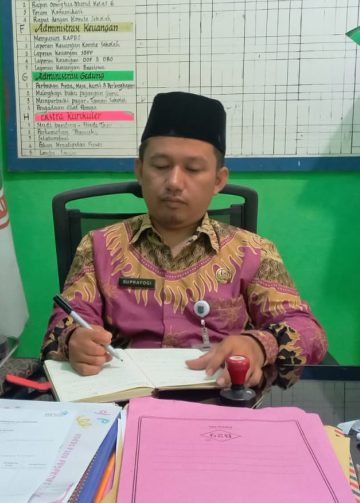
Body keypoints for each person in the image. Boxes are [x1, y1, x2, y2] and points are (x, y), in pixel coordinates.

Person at [42, 91, 327, 387]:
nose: (174, 182)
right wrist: (74, 339)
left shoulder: (254, 252)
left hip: (220, 397)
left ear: (218, 180)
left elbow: (310, 333)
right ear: (140, 170)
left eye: (193, 169)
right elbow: (62, 325)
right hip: (124, 398)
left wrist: (258, 345)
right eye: (160, 166)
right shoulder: (98, 246)